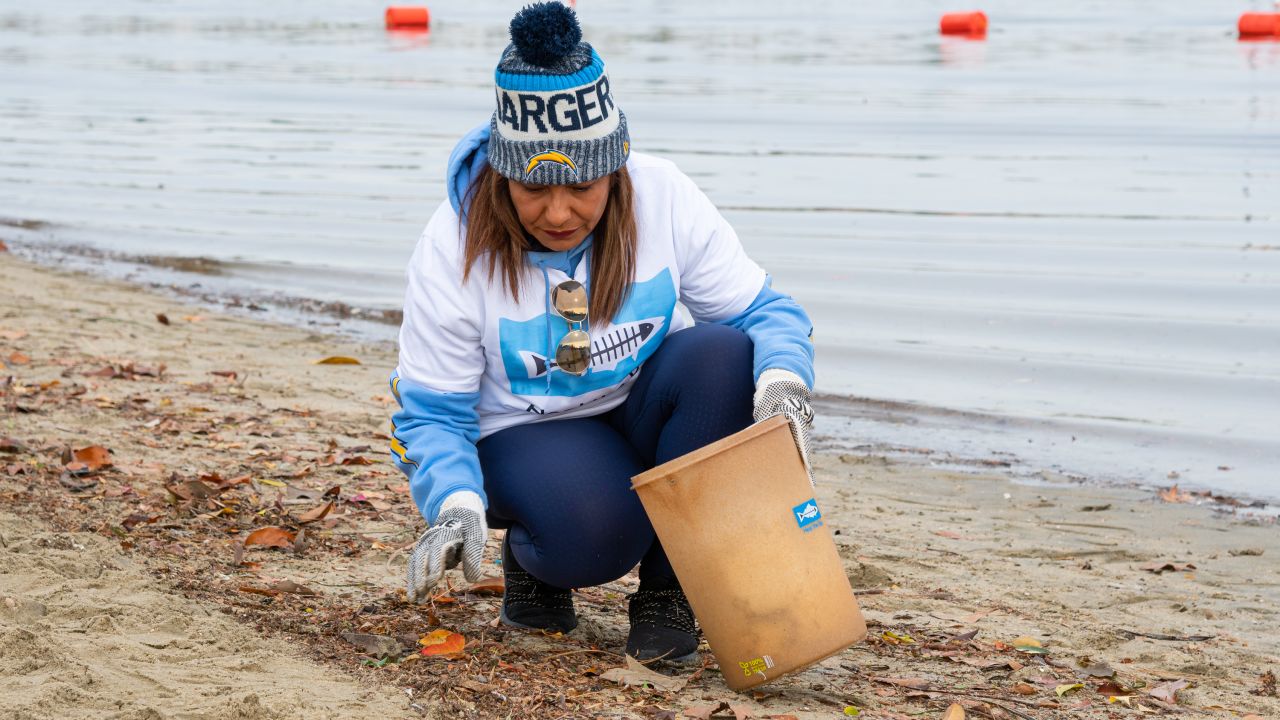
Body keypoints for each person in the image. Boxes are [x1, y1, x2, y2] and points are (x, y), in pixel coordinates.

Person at [389, 2, 816, 664]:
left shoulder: (663, 194)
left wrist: (785, 380)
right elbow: (432, 414)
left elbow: (762, 310)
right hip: (521, 434)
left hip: (635, 404)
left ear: (615, 168)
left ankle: (671, 590)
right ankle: (538, 558)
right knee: (597, 534)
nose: (559, 213)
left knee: (727, 357)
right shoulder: (451, 245)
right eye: (534, 187)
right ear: (505, 173)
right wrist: (455, 504)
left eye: (582, 187)